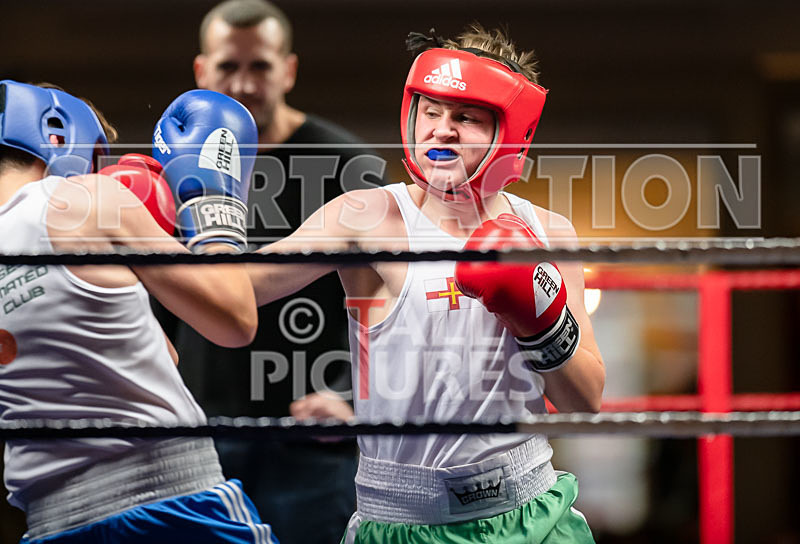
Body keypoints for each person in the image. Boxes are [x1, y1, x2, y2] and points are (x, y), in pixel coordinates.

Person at [246, 25, 606, 543]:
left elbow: (585, 399)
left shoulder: (546, 232)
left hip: (534, 513)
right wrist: (182, 216)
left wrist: (540, 321)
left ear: (512, 134)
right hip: (401, 522)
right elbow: (238, 291)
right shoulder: (366, 218)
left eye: (466, 117)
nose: (440, 130)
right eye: (430, 111)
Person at [0, 80, 277, 543]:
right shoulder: (88, 200)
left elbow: (158, 354)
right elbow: (234, 319)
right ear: (56, 135)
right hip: (174, 503)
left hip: (50, 523)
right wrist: (212, 205)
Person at [152, 1, 386, 541]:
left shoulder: (345, 164)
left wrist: (351, 396)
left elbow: (385, 301)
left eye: (259, 66)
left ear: (288, 69)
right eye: (227, 66)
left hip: (310, 438)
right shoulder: (175, 164)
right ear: (201, 71)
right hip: (202, 434)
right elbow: (158, 296)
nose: (243, 83)